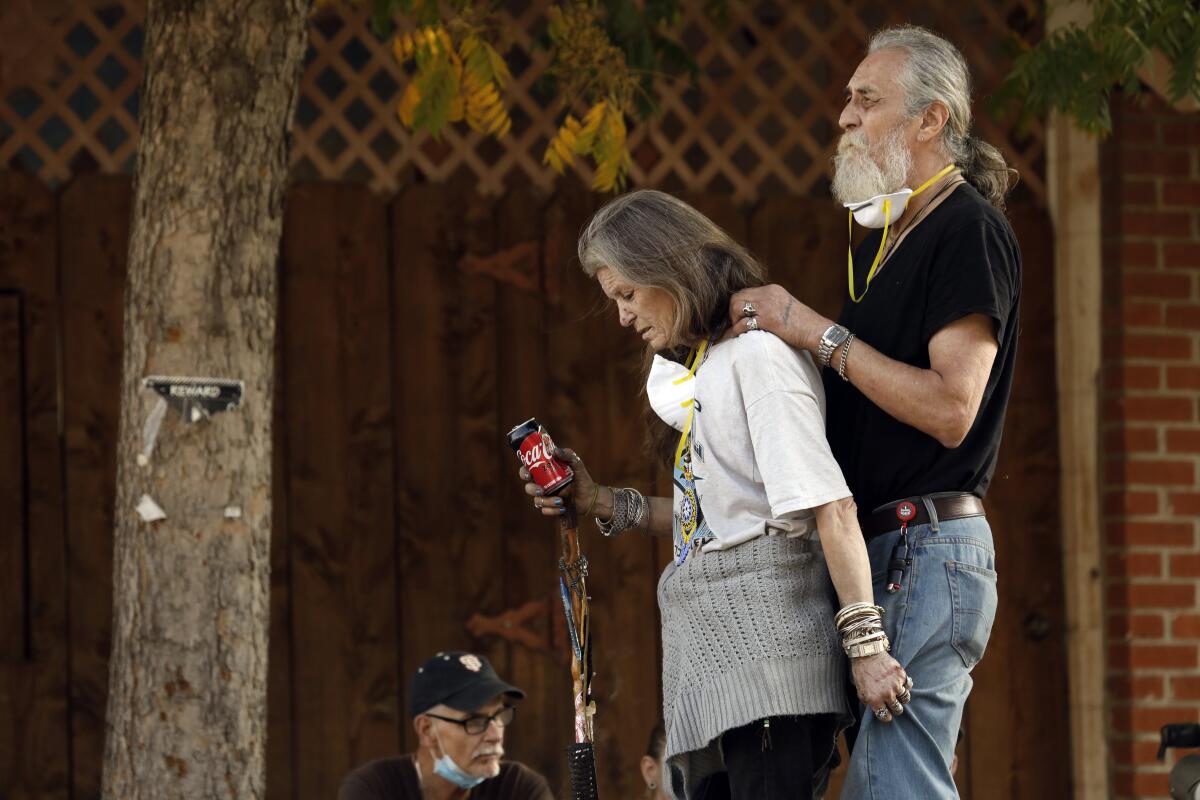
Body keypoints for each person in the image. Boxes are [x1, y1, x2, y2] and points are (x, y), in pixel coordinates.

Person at [519, 189, 910, 799]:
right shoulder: (713, 365)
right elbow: (725, 519)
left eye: (626, 294)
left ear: (668, 267)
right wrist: (601, 503)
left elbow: (828, 505)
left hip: (771, 676)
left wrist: (867, 649)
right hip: (721, 678)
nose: (622, 316)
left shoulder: (758, 357)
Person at [725, 25, 1019, 800]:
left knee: (895, 791)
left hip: (925, 548)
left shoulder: (967, 229)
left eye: (867, 99)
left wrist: (812, 329)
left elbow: (953, 409)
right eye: (848, 99)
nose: (845, 117)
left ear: (931, 120)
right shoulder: (888, 236)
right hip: (885, 553)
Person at [338, 651, 554, 800]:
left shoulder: (518, 787)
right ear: (426, 730)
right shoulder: (374, 788)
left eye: (499, 716)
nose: (495, 735)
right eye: (475, 720)